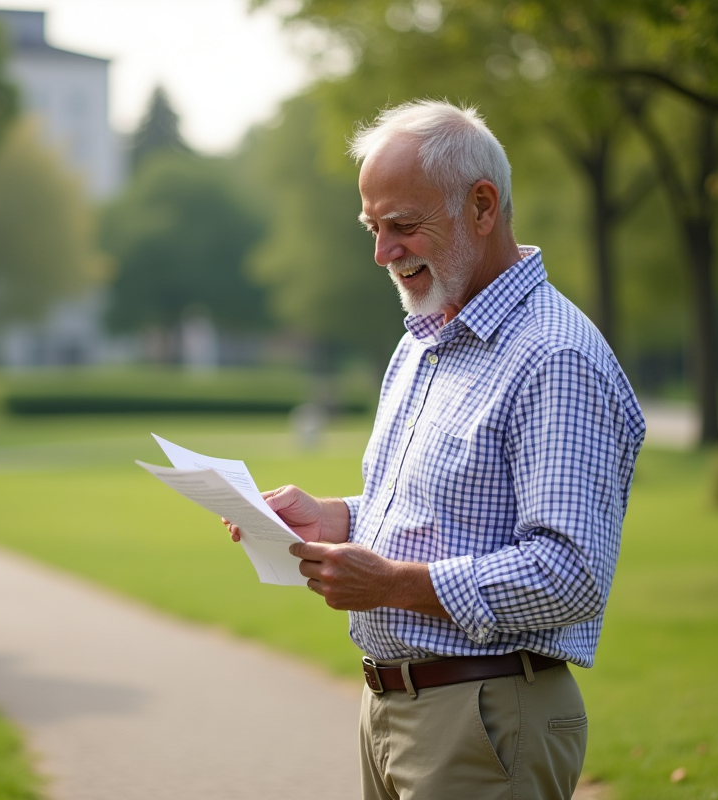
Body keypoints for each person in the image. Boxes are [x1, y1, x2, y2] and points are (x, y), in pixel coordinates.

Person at [227, 100, 645, 799]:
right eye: (373, 227)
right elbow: (445, 510)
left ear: (482, 207)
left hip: (485, 720)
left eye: (402, 226)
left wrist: (392, 584)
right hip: (395, 713)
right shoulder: (424, 339)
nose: (382, 252)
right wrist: (334, 519)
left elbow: (571, 573)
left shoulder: (554, 357)